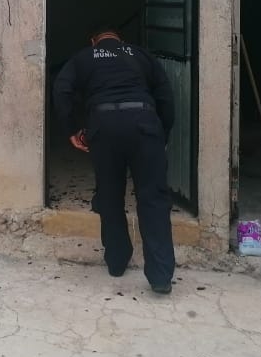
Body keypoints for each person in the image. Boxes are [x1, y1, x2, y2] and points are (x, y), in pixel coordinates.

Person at [52, 25, 177, 294]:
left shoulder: (84, 57)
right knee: (153, 198)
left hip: (103, 126)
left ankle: (117, 262)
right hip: (144, 124)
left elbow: (61, 89)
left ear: (93, 41)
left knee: (109, 194)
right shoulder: (140, 55)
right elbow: (165, 95)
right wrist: (161, 134)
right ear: (122, 41)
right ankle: (160, 276)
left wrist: (72, 129)